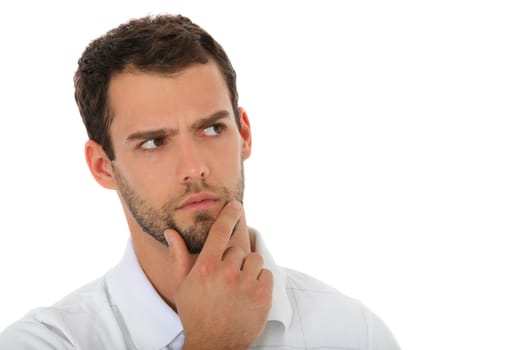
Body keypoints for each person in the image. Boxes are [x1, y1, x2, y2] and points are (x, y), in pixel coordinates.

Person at [0, 14, 401, 349]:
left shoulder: (355, 334)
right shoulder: (47, 342)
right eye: (154, 142)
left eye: (211, 129)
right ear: (103, 166)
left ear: (243, 134)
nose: (194, 167)